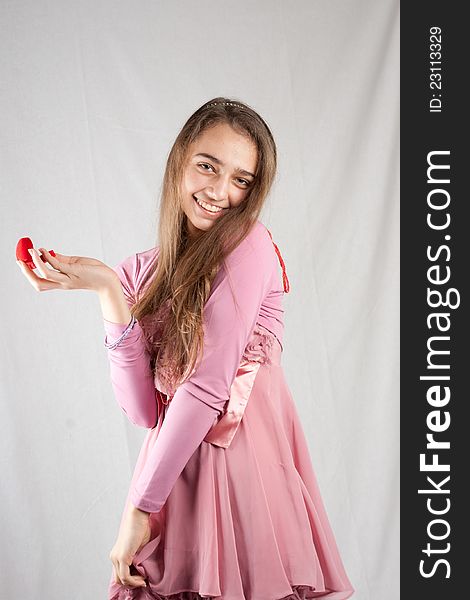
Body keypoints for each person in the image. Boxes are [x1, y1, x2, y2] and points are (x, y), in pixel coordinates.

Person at [16, 97, 354, 599]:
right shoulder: (140, 271)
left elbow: (206, 389)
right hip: (173, 480)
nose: (220, 191)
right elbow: (143, 410)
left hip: (245, 484)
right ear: (180, 160)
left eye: (241, 180)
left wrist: (139, 508)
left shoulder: (251, 245)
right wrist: (110, 292)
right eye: (207, 166)